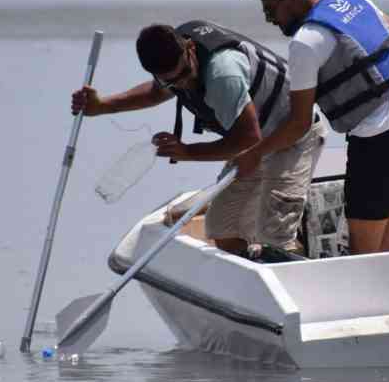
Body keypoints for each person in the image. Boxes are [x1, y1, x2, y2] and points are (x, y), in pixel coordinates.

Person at [72, 21, 327, 255]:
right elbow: (154, 93)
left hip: (293, 135)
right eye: (171, 82)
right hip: (256, 144)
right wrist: (103, 106)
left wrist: (187, 152)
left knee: (275, 237)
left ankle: (295, 258)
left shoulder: (222, 74)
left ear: (190, 47)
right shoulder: (173, 63)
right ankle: (255, 273)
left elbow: (247, 138)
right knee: (222, 228)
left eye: (184, 74)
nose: (182, 84)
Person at [243, 0, 389, 254]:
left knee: (364, 256)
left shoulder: (305, 42)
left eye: (270, 8)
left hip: (379, 144)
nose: (270, 19)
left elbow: (299, 125)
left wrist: (256, 153)